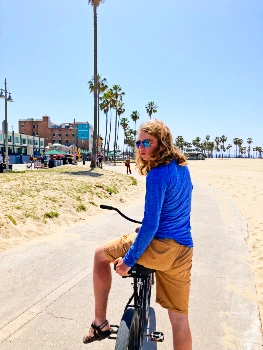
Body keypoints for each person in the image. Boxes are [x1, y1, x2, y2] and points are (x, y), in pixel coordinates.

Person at [83, 119, 194, 350]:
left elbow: (152, 225)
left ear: (161, 143)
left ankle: (100, 323)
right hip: (183, 250)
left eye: (147, 142)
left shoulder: (157, 175)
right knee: (179, 318)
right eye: (138, 142)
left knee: (99, 255)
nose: (141, 147)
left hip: (160, 246)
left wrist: (128, 261)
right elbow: (175, 208)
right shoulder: (182, 168)